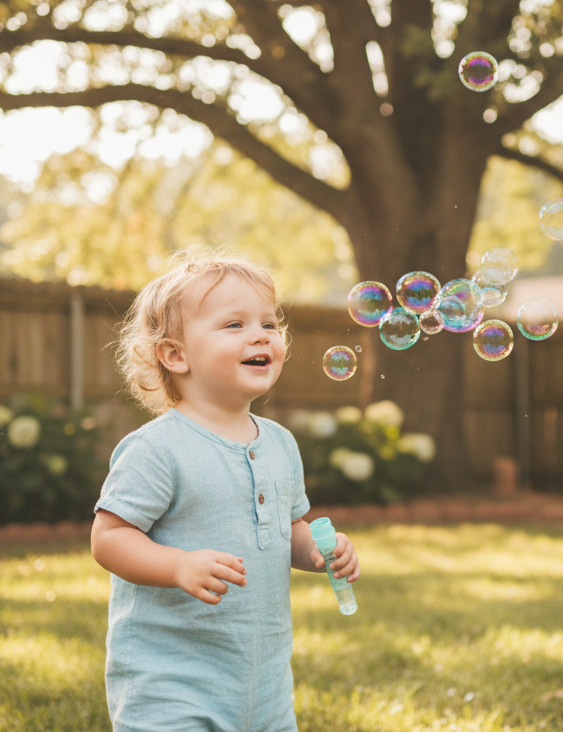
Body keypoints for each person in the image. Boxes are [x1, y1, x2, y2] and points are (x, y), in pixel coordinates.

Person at [91, 248, 361, 732]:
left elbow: (289, 527)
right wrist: (177, 564)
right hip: (170, 681)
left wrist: (321, 552)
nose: (260, 334)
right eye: (233, 325)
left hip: (262, 682)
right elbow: (108, 538)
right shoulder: (157, 448)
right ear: (175, 355)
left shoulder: (281, 443)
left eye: (269, 324)